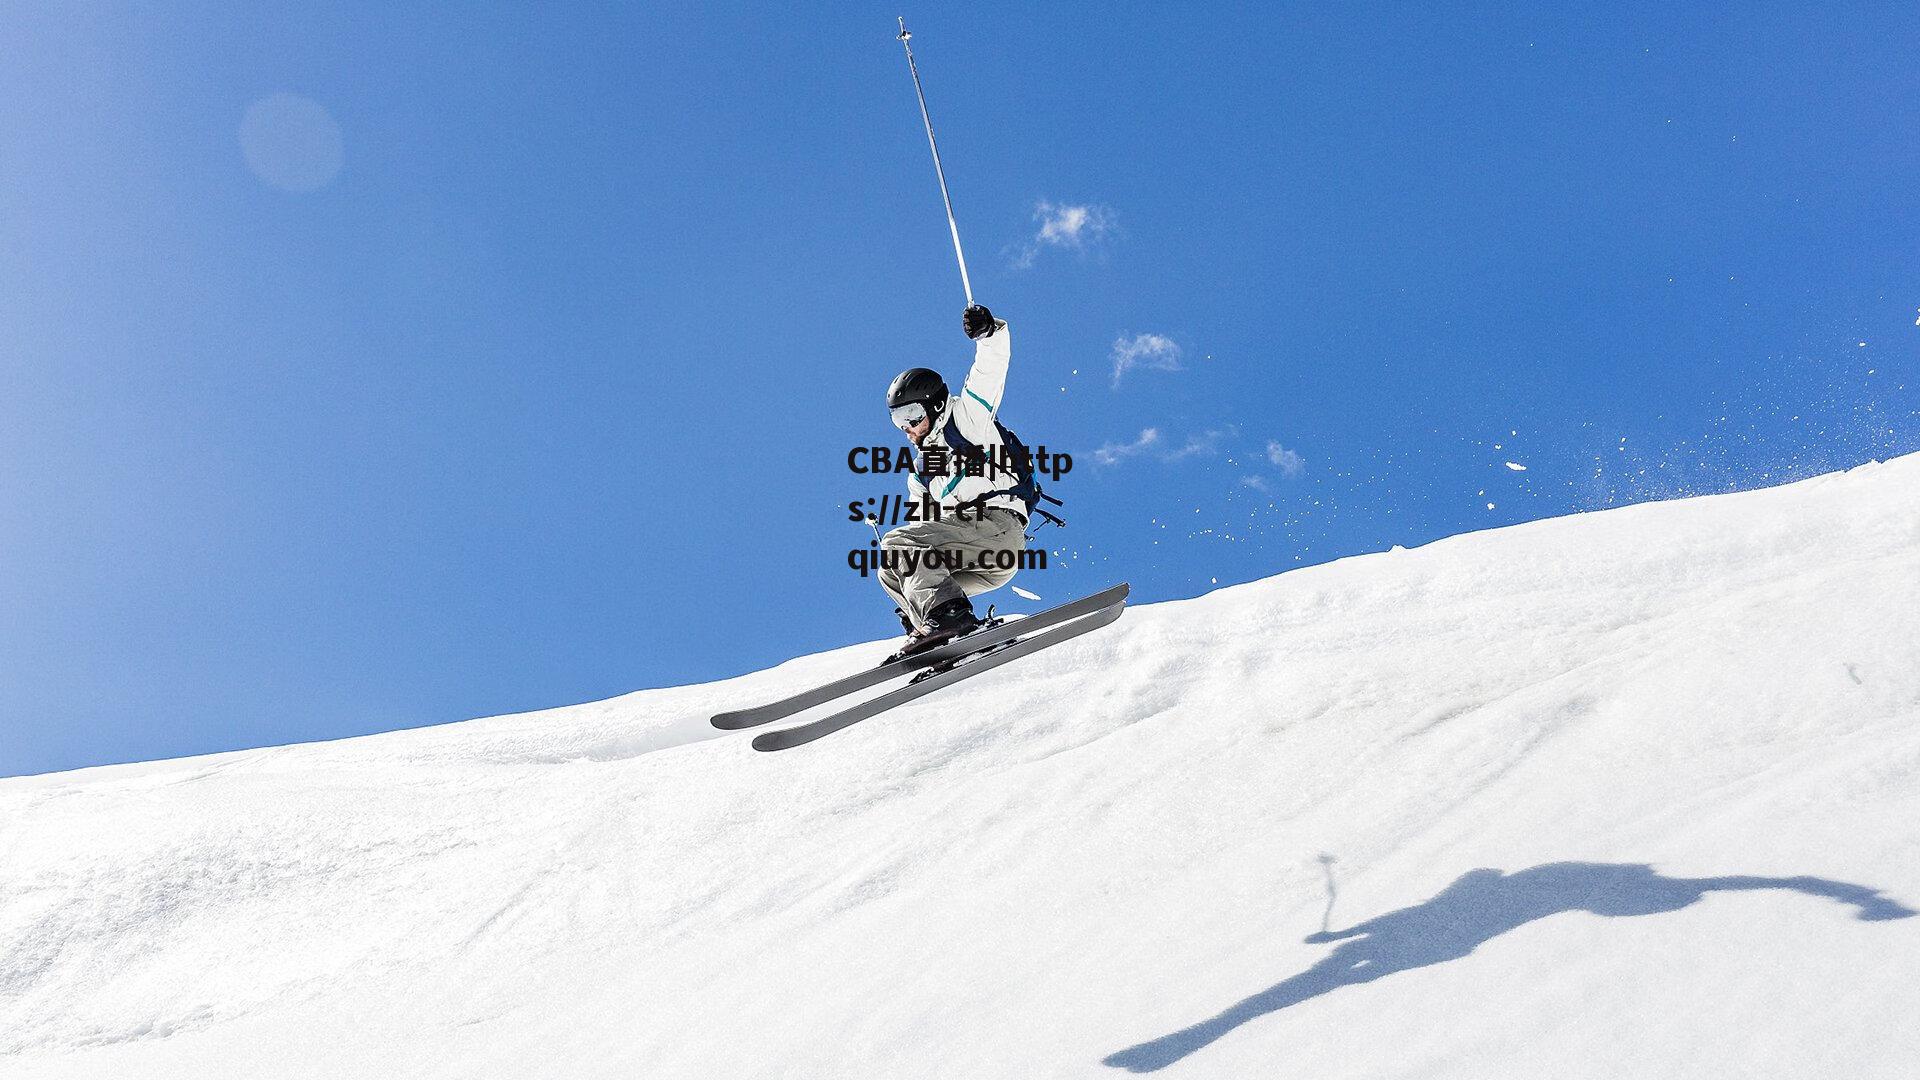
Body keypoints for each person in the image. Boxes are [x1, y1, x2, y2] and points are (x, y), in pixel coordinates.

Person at [879, 303, 1028, 655]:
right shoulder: (922, 472)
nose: (907, 428)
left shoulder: (967, 419)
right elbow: (922, 531)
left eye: (911, 415)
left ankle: (950, 618)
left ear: (933, 405)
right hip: (976, 560)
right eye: (898, 420)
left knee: (897, 543)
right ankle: (937, 634)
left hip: (997, 529)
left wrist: (989, 334)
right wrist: (912, 593)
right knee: (889, 567)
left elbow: (990, 371)